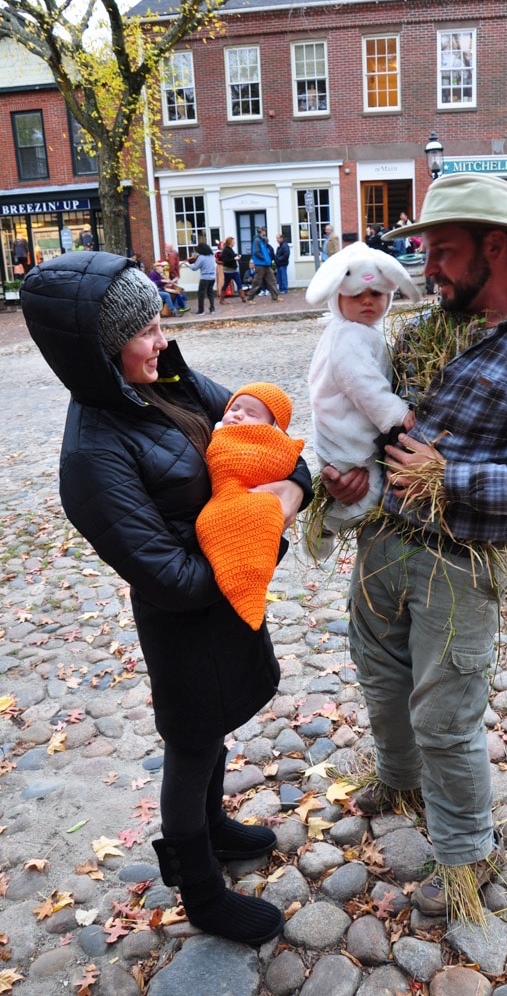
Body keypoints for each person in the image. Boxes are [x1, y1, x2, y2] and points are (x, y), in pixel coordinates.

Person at [323, 173, 507, 921]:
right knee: (379, 679)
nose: (427, 268)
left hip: (462, 564)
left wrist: (453, 477)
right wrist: (348, 472)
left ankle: (466, 856)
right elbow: (373, 420)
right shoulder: (423, 331)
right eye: (425, 251)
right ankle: (397, 779)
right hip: (382, 542)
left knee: (446, 718)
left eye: (441, 251)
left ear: (496, 247)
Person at [21, 251, 312, 946]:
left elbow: (272, 447)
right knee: (190, 743)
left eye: (159, 320)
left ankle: (214, 828)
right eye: (146, 330)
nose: (164, 338)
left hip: (225, 598)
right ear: (99, 349)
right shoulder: (90, 457)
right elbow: (175, 579)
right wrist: (266, 533)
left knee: (214, 731)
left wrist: (288, 492)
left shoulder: (168, 380)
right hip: (183, 621)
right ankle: (202, 892)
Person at [306, 242, 420, 541]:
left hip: (343, 428)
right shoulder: (350, 335)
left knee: (368, 491)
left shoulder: (357, 330)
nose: (367, 302)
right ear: (337, 297)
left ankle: (331, 521)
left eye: (377, 294)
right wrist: (397, 413)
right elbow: (362, 383)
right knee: (368, 499)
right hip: (346, 438)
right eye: (356, 295)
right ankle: (326, 525)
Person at [196, 383, 305, 630]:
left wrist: (297, 485)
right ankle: (242, 586)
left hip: (252, 498)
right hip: (221, 502)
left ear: (272, 427)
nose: (237, 415)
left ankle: (250, 587)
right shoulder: (219, 432)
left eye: (252, 414)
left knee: (263, 511)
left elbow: (286, 456)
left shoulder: (271, 442)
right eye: (234, 408)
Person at [243, 228, 280, 302]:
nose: (265, 232)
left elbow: (264, 246)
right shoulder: (257, 240)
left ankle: (275, 297)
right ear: (262, 232)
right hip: (260, 265)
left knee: (272, 280)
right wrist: (264, 258)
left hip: (266, 264)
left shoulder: (261, 240)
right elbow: (256, 252)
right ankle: (250, 298)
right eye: (264, 231)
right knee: (257, 281)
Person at [183, 242, 217, 314]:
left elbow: (195, 267)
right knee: (210, 293)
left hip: (204, 277)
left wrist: (187, 264)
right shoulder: (211, 256)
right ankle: (212, 309)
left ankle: (201, 311)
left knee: (201, 294)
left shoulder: (201, 257)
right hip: (213, 277)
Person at [219, 237, 246, 304]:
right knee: (226, 284)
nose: (234, 243)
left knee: (239, 282)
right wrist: (234, 259)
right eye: (233, 241)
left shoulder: (231, 249)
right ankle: (222, 299)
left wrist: (237, 256)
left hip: (234, 269)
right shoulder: (226, 250)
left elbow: (233, 256)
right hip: (228, 270)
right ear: (230, 242)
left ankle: (243, 297)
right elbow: (225, 260)